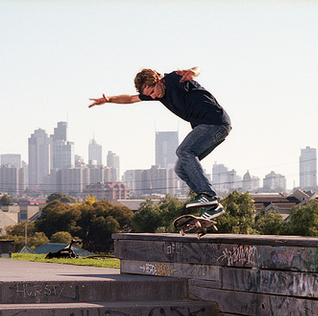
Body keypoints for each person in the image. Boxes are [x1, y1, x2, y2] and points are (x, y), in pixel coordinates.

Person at [89, 67, 232, 219]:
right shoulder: (156, 94)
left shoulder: (173, 79)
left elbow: (197, 69)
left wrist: (192, 73)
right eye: (150, 95)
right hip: (211, 127)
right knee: (181, 168)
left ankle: (208, 195)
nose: (154, 96)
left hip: (215, 122)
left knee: (184, 151)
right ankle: (212, 207)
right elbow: (131, 99)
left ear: (157, 81)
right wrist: (109, 99)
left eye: (153, 91)